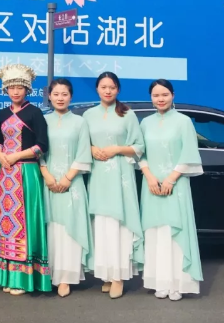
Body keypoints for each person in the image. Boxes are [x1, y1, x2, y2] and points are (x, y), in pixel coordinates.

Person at [0, 64, 52, 296]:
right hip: (5, 176)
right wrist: (1, 153)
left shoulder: (35, 113)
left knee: (24, 224)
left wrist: (16, 156)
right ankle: (5, 274)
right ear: (6, 89)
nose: (15, 91)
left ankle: (22, 278)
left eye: (20, 87)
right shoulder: (3, 113)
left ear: (27, 89)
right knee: (4, 223)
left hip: (26, 173)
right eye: (11, 87)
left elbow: (42, 145)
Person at [82, 71, 145, 299]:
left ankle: (119, 276)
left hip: (121, 175)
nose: (107, 91)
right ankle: (107, 274)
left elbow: (139, 146)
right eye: (103, 87)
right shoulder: (88, 115)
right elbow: (82, 142)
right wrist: (91, 149)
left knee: (120, 224)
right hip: (98, 175)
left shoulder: (128, 114)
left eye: (112, 87)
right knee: (102, 224)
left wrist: (117, 149)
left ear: (118, 89)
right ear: (97, 89)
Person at [139, 79, 203, 301]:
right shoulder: (145, 123)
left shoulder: (183, 122)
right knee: (155, 233)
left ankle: (178, 283)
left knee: (175, 233)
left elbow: (189, 153)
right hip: (151, 186)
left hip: (176, 185)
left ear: (173, 95)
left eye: (165, 94)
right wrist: (149, 177)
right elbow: (139, 153)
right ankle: (160, 282)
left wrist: (171, 179)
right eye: (156, 95)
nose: (160, 99)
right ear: (151, 98)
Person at [40, 78, 93, 298]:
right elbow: (38, 151)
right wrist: (47, 175)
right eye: (56, 94)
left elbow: (84, 153)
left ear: (71, 96)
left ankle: (66, 278)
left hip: (73, 183)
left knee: (71, 228)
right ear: (49, 96)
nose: (60, 98)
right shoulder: (43, 120)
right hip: (48, 182)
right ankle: (50, 274)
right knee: (52, 229)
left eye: (64, 94)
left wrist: (68, 178)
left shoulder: (80, 122)